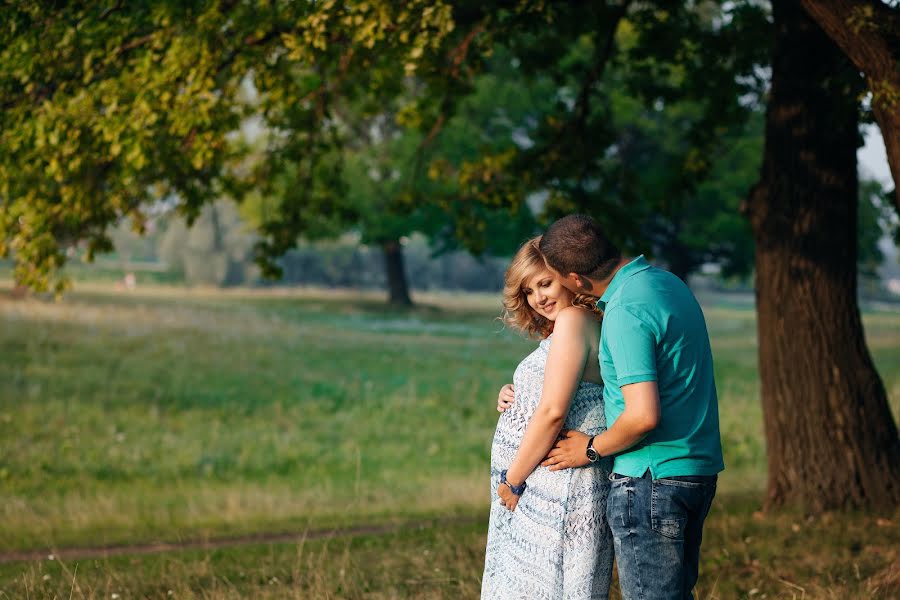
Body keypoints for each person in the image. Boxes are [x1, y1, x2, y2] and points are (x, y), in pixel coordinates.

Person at [529, 214, 724, 600]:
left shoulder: (624, 311)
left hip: (651, 479)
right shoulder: (666, 283)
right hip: (696, 470)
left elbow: (642, 415)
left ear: (577, 280)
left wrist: (589, 448)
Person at [482, 236, 613, 600]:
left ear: (569, 277)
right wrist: (517, 394)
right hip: (545, 484)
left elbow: (554, 413)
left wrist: (513, 479)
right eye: (528, 290)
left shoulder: (574, 319)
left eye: (545, 283)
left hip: (557, 486)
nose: (538, 297)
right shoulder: (572, 325)